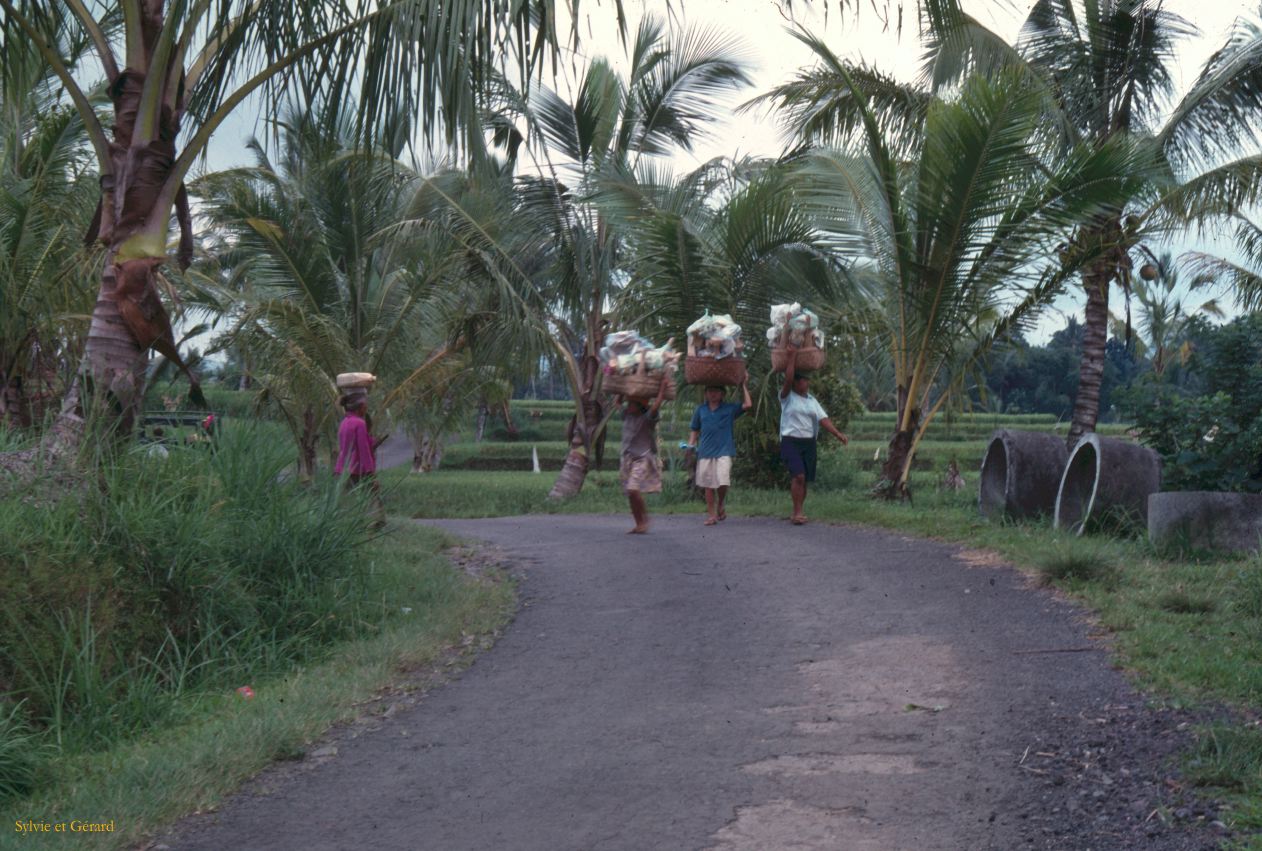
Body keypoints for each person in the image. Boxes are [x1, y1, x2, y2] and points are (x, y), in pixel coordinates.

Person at [779, 347, 848, 525]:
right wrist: (792, 358)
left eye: (806, 380)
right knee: (799, 476)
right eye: (802, 380)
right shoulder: (787, 397)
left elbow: (823, 419)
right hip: (790, 441)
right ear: (795, 383)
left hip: (808, 442)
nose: (806, 383)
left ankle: (799, 510)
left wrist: (837, 434)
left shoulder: (812, 401)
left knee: (805, 480)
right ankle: (796, 512)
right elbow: (787, 379)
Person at [687, 382, 753, 525]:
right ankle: (712, 515)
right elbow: (695, 429)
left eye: (716, 391)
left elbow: (748, 405)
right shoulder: (700, 410)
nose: (713, 394)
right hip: (705, 451)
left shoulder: (729, 409)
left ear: (723, 394)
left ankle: (721, 503)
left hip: (724, 451)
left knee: (723, 481)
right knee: (708, 485)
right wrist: (690, 446)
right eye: (710, 391)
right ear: (706, 394)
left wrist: (743, 385)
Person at [620, 375, 670, 534]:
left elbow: (655, 406)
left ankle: (645, 519)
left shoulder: (647, 418)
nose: (629, 406)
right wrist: (620, 387)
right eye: (629, 403)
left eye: (632, 404)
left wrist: (662, 389)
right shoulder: (626, 416)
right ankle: (638, 523)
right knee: (630, 493)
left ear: (640, 406)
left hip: (642, 458)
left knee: (633, 489)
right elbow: (617, 403)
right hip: (627, 458)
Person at [335, 392, 386, 528]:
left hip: (343, 468)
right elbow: (363, 451)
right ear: (361, 407)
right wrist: (371, 473)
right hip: (358, 469)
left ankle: (343, 524)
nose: (366, 408)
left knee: (344, 498)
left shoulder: (344, 422)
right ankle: (375, 522)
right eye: (365, 406)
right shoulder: (359, 423)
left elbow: (348, 445)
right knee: (372, 494)